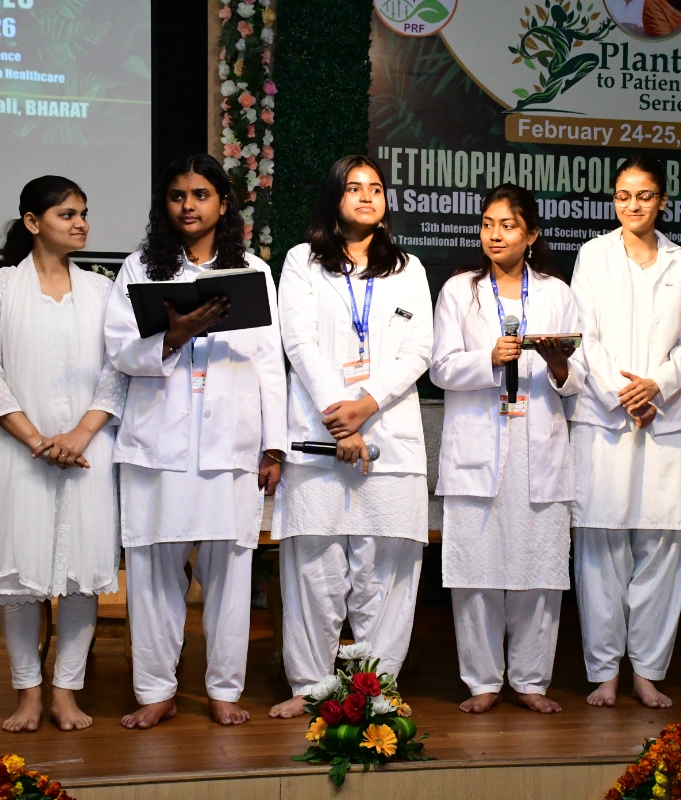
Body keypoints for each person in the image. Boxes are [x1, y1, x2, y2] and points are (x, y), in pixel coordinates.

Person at [105, 153, 287, 729]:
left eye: (201, 194)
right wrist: (172, 336)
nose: (188, 205)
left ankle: (224, 689)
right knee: (153, 572)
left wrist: (274, 446)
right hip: (157, 445)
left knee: (230, 573)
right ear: (165, 204)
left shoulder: (252, 270)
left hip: (231, 446)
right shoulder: (139, 269)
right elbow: (118, 351)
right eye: (178, 195)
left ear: (223, 203)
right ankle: (155, 690)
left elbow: (270, 364)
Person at [267, 155, 433, 720]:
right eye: (354, 187)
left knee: (385, 573)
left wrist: (366, 406)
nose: (366, 196)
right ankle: (310, 686)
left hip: (390, 438)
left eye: (376, 188)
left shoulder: (408, 268)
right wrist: (341, 415)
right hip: (320, 438)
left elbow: (419, 349)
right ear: (334, 197)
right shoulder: (302, 261)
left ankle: (376, 688)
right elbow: (299, 341)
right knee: (314, 571)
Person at [0, 176, 127, 733]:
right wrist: (37, 441)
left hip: (88, 451)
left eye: (83, 213)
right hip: (20, 452)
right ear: (33, 223)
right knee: (20, 577)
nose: (80, 223)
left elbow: (116, 372)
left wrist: (80, 434)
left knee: (81, 574)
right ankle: (28, 693)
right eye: (66, 214)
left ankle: (66, 692)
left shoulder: (102, 291)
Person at [431, 184, 585, 715]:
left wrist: (560, 364)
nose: (495, 234)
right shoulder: (460, 291)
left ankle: (530, 679)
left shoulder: (556, 293)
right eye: (488, 224)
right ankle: (482, 680)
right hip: (479, 442)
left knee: (538, 568)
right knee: (475, 568)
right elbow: (440, 368)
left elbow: (579, 376)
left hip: (536, 445)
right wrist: (489, 358)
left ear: (532, 234)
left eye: (508, 225)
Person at [569, 154, 681, 710]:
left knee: (663, 549)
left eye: (644, 195)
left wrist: (658, 387)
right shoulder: (593, 255)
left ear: (662, 200)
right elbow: (584, 335)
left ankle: (647, 671)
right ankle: (604, 671)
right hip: (606, 417)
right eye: (623, 195)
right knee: (601, 551)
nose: (633, 205)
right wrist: (624, 395)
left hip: (667, 418)